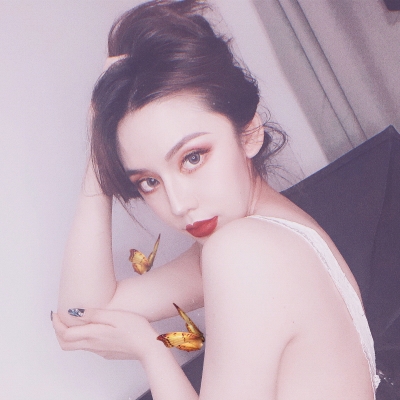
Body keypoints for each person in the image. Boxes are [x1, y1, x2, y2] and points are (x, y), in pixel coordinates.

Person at [52, 0, 380, 398]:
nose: (178, 204)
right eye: (149, 181)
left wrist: (150, 350)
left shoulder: (243, 250)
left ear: (249, 133)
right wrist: (100, 143)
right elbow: (81, 316)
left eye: (193, 158)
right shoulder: (265, 234)